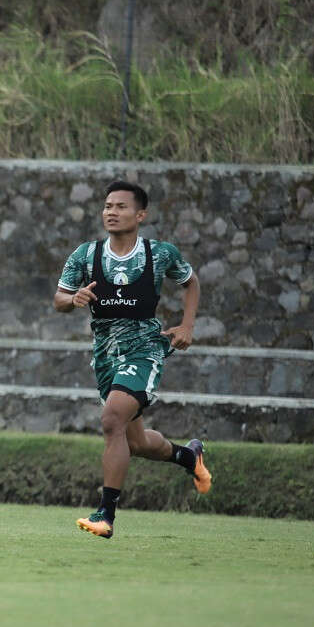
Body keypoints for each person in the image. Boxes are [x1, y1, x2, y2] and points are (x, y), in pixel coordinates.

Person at [52, 179, 211, 539]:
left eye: (120, 206)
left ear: (141, 214)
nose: (111, 211)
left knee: (111, 420)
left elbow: (191, 282)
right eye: (107, 206)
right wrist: (73, 297)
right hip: (106, 355)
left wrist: (187, 325)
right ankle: (190, 457)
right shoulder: (86, 255)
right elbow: (59, 299)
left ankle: (105, 514)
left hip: (144, 350)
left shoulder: (160, 254)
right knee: (134, 442)